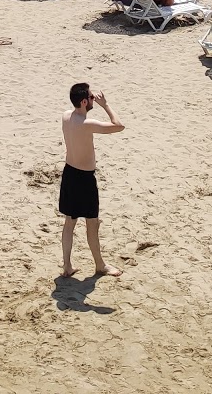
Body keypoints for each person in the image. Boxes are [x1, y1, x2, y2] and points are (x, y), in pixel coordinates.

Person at [58, 83, 124, 279]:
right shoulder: (86, 124)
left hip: (69, 174)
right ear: (84, 101)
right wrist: (106, 105)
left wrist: (93, 102)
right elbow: (118, 126)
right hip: (84, 180)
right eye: (91, 97)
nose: (94, 98)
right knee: (92, 223)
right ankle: (100, 265)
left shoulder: (66, 116)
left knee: (69, 222)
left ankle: (67, 266)